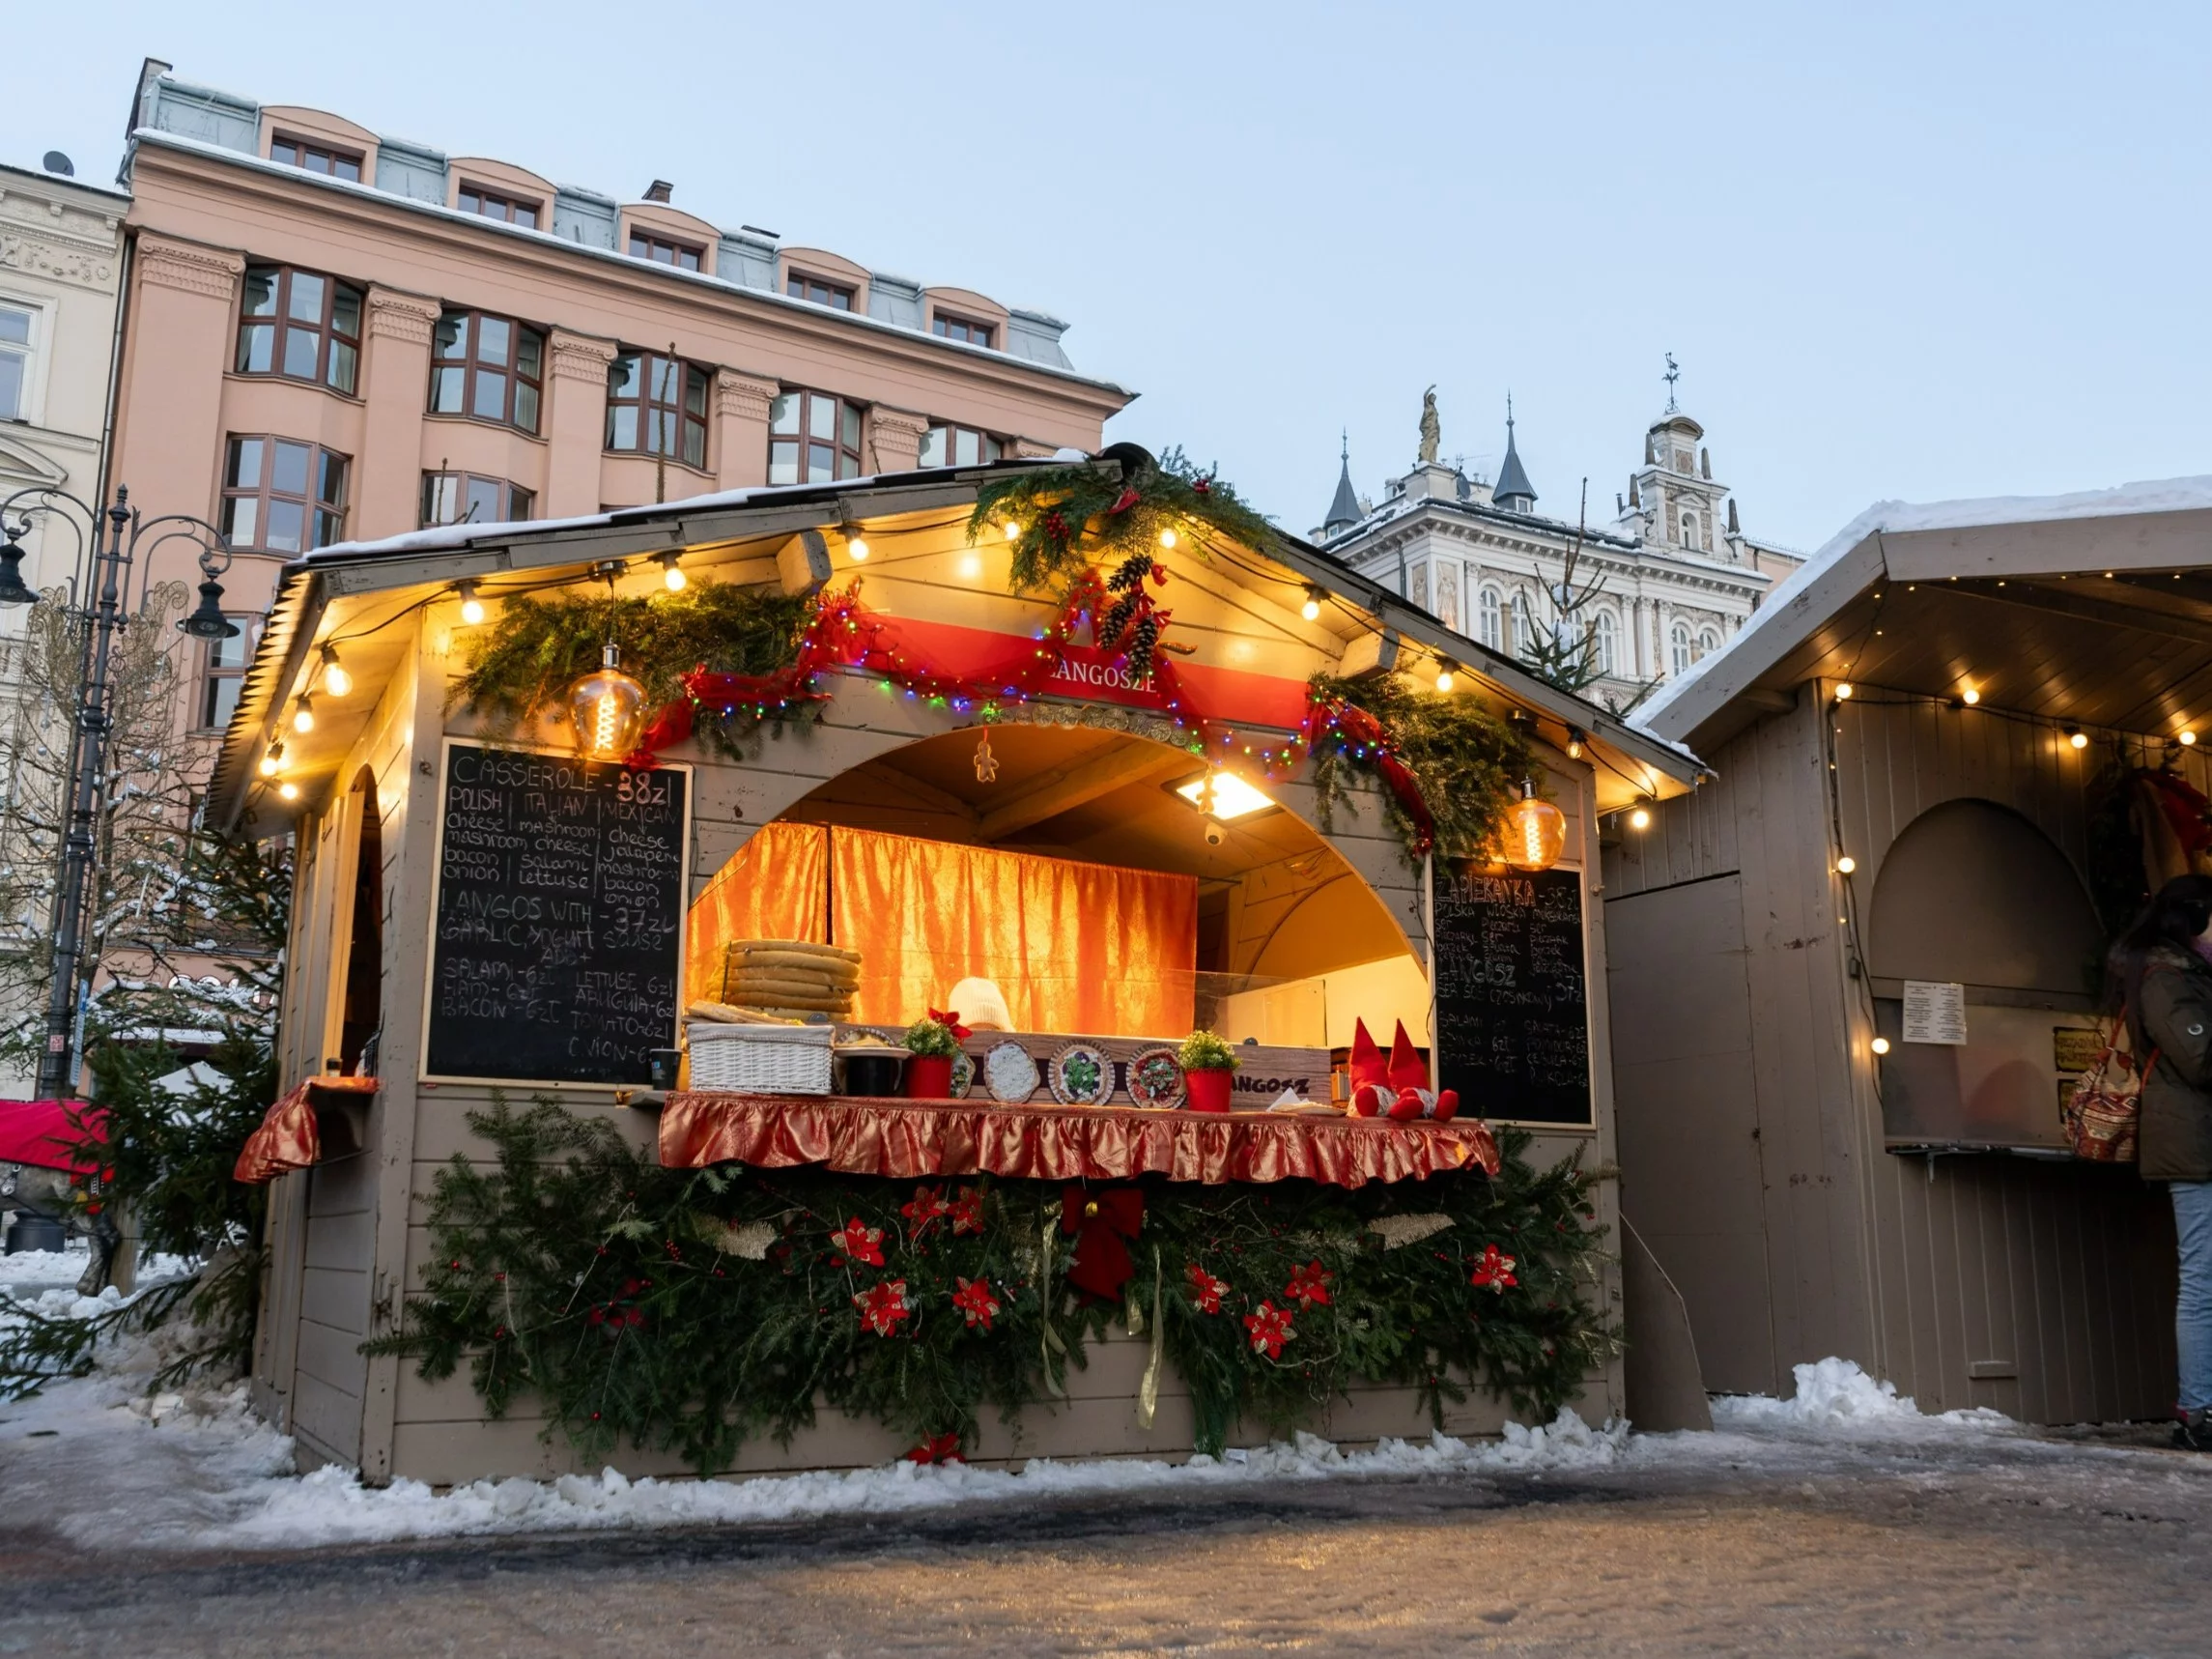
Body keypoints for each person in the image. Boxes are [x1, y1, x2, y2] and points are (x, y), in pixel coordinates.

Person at [2113, 872, 2212, 1450]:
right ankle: (2198, 1413)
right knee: (2202, 1282)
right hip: (2194, 1149)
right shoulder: (2165, 978)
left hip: (2200, 1142)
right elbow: (2201, 1059)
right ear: (2193, 918)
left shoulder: (2190, 974)